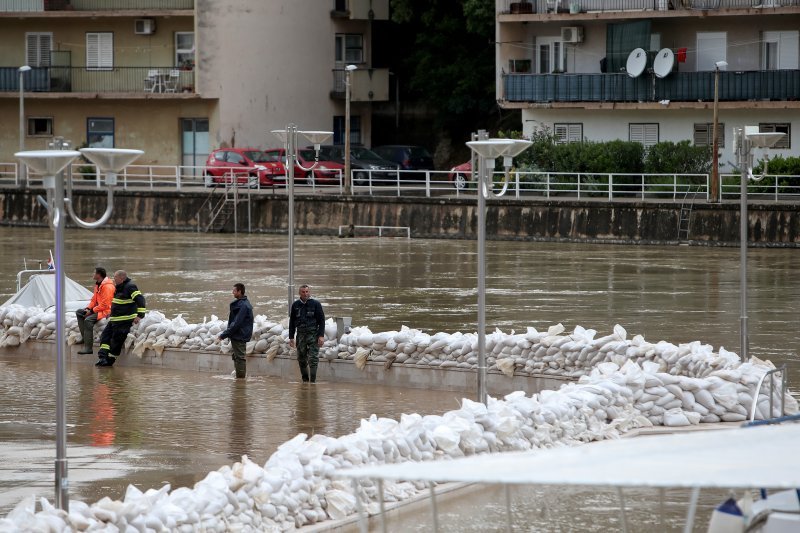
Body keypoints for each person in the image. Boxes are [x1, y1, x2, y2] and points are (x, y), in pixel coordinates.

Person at [95, 270, 147, 367]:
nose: (113, 279)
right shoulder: (118, 287)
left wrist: (140, 315)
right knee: (104, 336)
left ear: (122, 278)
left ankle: (110, 360)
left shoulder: (130, 286)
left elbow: (140, 300)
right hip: (115, 319)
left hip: (124, 320)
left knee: (116, 340)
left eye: (115, 278)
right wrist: (111, 312)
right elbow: (117, 302)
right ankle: (102, 358)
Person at [288, 284, 325, 383]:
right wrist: (291, 337)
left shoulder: (315, 304)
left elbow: (321, 321)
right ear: (299, 293)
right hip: (300, 335)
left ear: (309, 292)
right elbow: (292, 322)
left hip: (313, 334)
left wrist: (321, 336)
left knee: (313, 359)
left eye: (307, 292)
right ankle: (305, 381)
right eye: (303, 292)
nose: (305, 294)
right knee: (301, 358)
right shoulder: (295, 305)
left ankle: (312, 382)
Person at [75, 267, 115, 355]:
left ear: (98, 275)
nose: (92, 274)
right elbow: (94, 300)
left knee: (88, 320)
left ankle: (88, 348)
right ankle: (84, 338)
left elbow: (105, 304)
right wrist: (88, 308)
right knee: (79, 312)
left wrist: (92, 311)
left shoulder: (107, 287)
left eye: (94, 273)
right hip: (98, 309)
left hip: (106, 311)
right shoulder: (98, 284)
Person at [218, 283, 254, 379]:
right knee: (237, 357)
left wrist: (223, 335)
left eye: (234, 291)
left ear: (239, 291)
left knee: (240, 358)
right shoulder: (241, 304)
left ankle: (241, 382)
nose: (232, 292)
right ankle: (239, 378)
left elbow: (237, 323)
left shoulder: (244, 306)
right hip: (237, 334)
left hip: (240, 335)